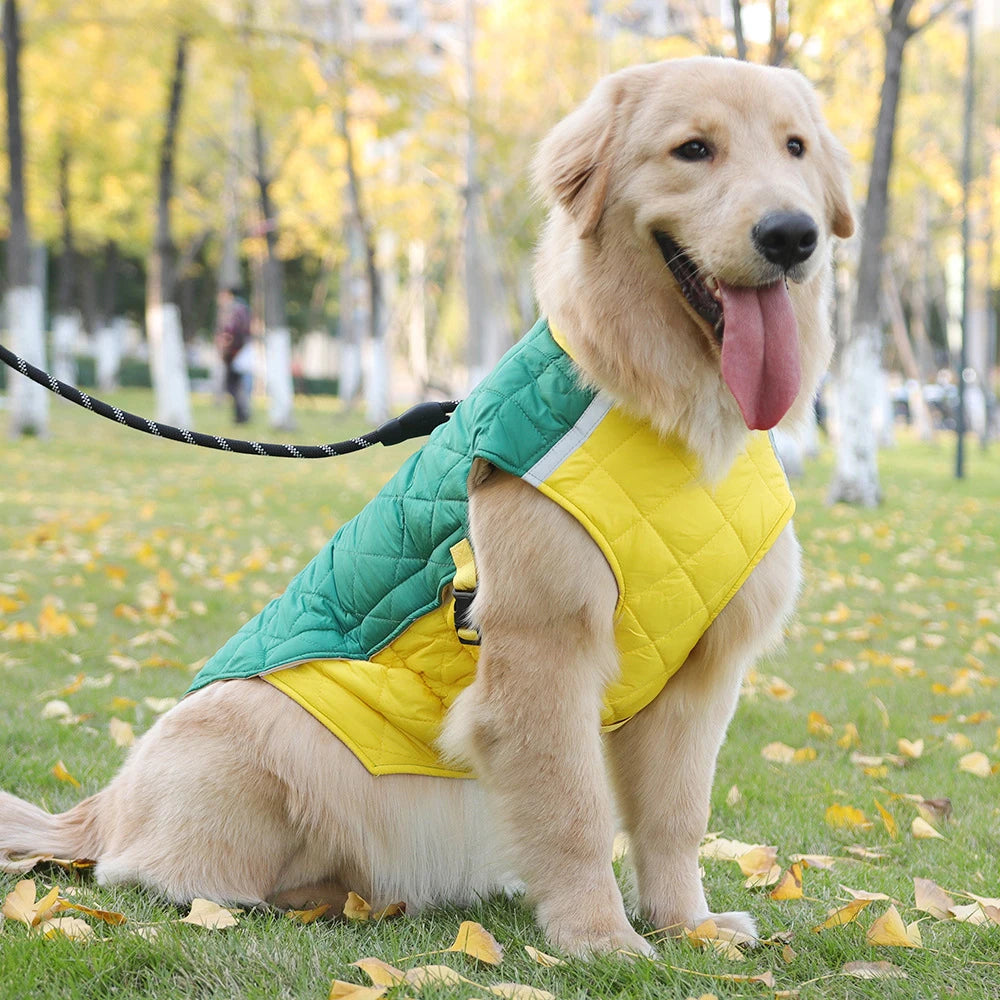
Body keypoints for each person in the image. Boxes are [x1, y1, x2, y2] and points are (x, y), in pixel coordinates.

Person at [215, 287, 253, 423]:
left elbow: (232, 331)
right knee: (235, 386)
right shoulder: (240, 309)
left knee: (235, 386)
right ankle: (241, 414)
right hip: (235, 353)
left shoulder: (235, 310)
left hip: (235, 354)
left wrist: (225, 346)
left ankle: (241, 415)